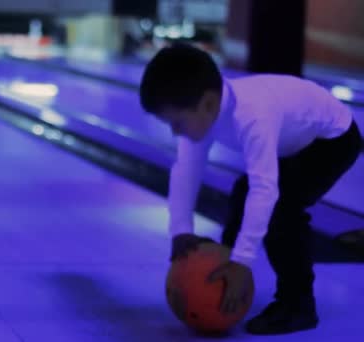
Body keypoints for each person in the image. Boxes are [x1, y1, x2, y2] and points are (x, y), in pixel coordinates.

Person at [139, 43, 362, 335]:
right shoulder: (206, 111)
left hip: (333, 139)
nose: (175, 131)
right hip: (295, 142)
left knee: (282, 210)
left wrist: (244, 260)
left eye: (177, 122)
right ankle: (225, 276)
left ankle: (297, 305)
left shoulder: (253, 115)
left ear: (207, 104)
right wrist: (181, 229)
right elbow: (185, 169)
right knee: (243, 194)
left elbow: (265, 189)